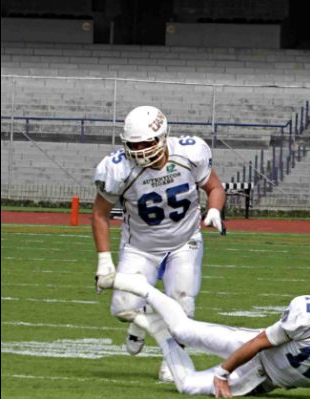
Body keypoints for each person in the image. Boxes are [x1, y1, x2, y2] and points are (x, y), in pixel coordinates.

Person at [96, 270, 310, 398]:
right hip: (253, 349)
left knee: (187, 386)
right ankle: (140, 286)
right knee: (183, 329)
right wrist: (222, 372)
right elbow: (260, 341)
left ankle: (157, 330)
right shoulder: (308, 314)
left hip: (263, 379)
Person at [92, 105, 226, 382]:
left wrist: (214, 210)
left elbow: (214, 187)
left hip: (184, 242)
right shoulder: (118, 168)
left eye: (146, 143)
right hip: (140, 247)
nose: (140, 151)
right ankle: (144, 319)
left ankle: (173, 359)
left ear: (163, 136)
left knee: (183, 302)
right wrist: (104, 260)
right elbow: (99, 214)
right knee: (122, 308)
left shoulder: (189, 153)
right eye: (134, 145)